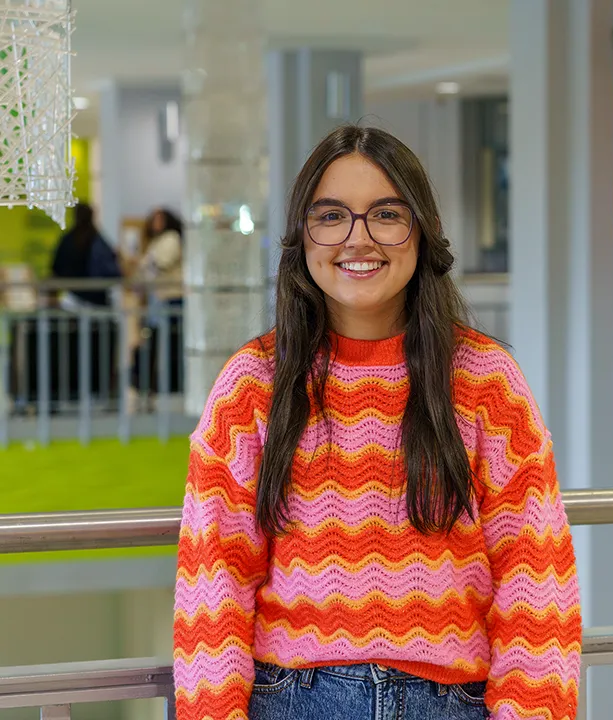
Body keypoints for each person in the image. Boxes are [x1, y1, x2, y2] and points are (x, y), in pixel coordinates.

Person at [173, 126, 582, 720]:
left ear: (421, 233)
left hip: (454, 704)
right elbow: (215, 581)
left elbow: (535, 571)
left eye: (386, 214)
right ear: (302, 237)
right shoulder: (252, 382)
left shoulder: (485, 379)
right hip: (290, 701)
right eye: (331, 215)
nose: (357, 238)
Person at [128, 208, 184, 395]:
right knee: (153, 340)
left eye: (160, 219)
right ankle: (149, 382)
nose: (156, 223)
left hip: (170, 298)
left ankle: (171, 383)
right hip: (157, 299)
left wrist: (142, 264)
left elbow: (160, 263)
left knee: (170, 343)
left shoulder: (171, 238)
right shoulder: (155, 242)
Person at [51, 202, 121, 306]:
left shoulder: (68, 239)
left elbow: (56, 267)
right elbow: (111, 267)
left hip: (73, 295)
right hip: (96, 297)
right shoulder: (97, 240)